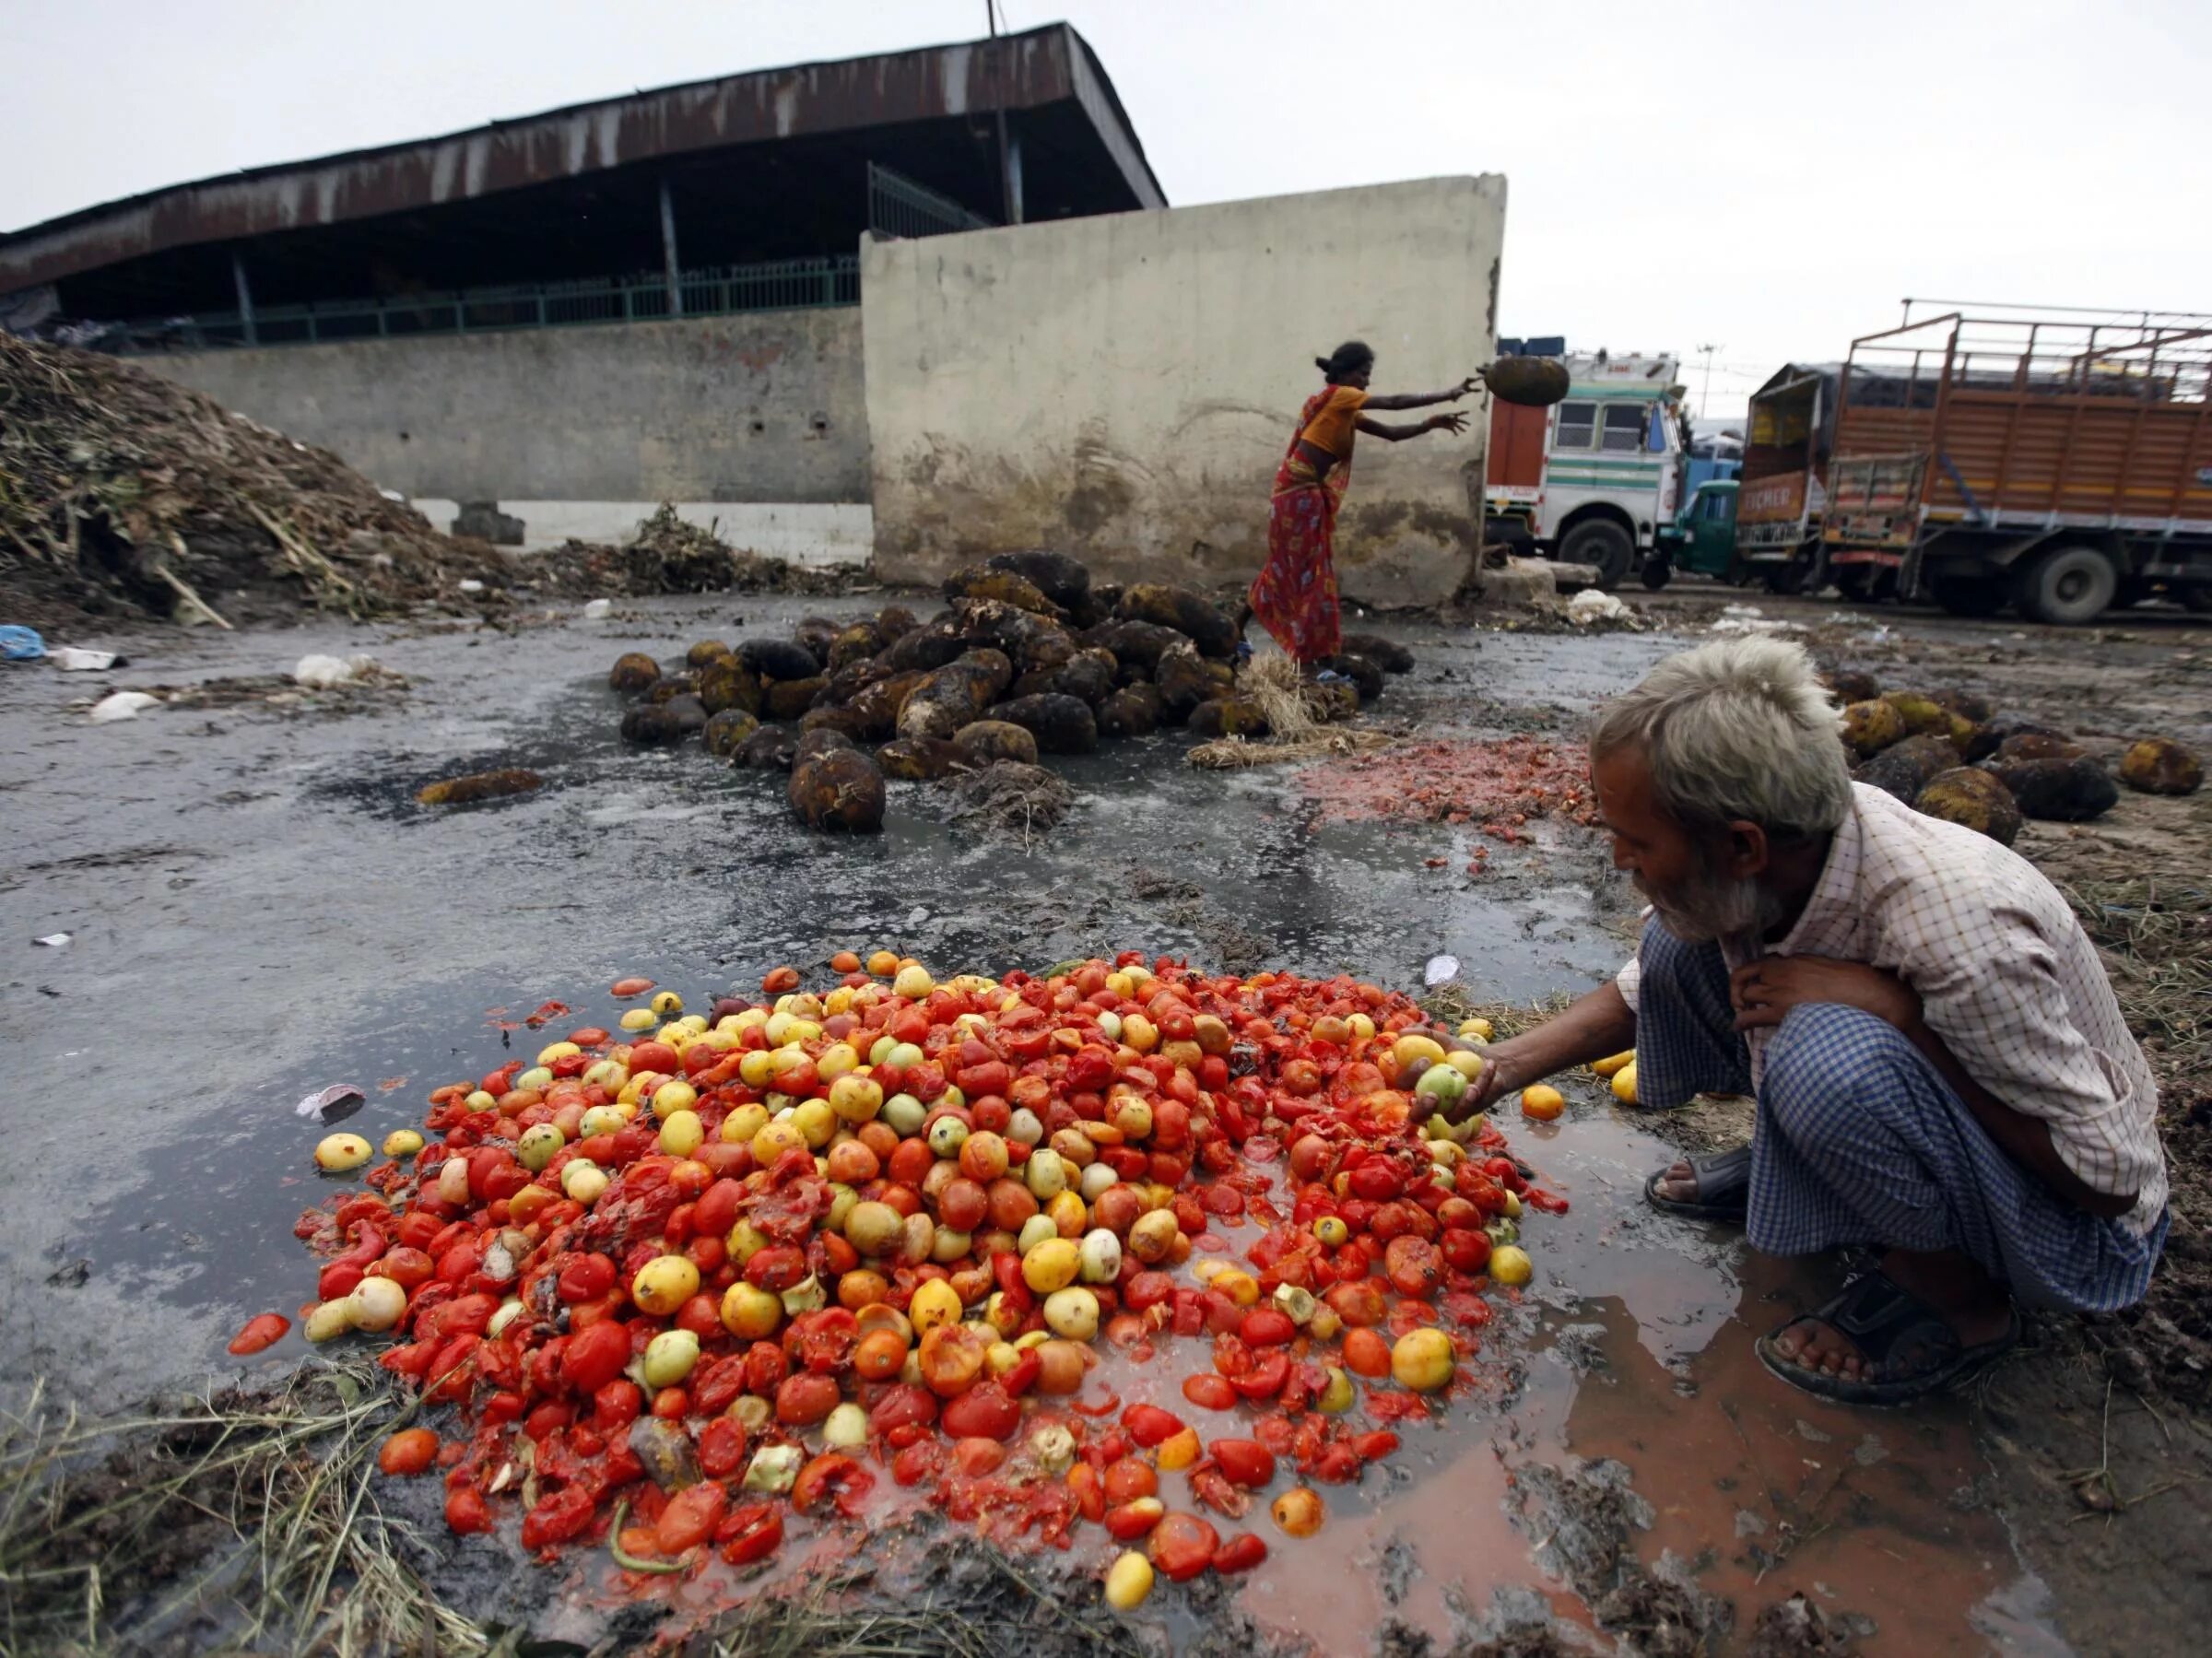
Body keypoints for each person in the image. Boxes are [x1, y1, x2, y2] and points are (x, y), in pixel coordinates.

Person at [1452, 636, 2167, 1405]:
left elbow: (2107, 1184)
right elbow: (1643, 986)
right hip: (1953, 1118)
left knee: (1829, 1059)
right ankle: (1800, 1164)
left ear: (1742, 845)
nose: (1620, 858)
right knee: (1678, 938)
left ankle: (1958, 1297)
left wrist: (1905, 1015)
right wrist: (1499, 1066)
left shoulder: (1961, 931)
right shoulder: (1801, 845)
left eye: (1636, 841)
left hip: (2072, 1233)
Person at [1244, 341, 1476, 672]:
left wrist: (1429, 425)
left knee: (1291, 566)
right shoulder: (1340, 396)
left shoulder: (1343, 409)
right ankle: (1309, 660)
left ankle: (1257, 635)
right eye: (1364, 374)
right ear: (1349, 373)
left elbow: (1392, 434)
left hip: (1299, 491)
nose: (1368, 382)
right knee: (1310, 574)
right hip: (1297, 492)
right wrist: (1448, 393)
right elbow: (1395, 403)